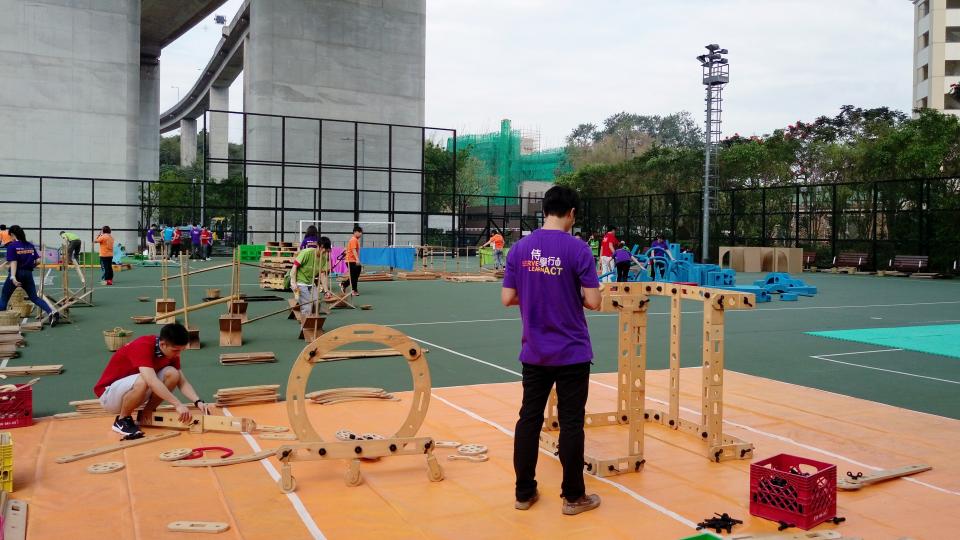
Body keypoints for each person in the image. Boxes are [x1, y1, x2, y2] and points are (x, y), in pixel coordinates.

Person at [501, 185, 602, 516]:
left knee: (528, 419)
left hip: (534, 351)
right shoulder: (578, 250)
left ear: (544, 210)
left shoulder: (520, 249)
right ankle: (573, 497)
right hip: (571, 351)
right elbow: (594, 302)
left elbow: (507, 298)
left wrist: (534, 293)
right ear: (571, 213)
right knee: (571, 423)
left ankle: (523, 492)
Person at [93, 323, 212, 439]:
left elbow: (183, 382)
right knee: (145, 379)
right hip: (109, 397)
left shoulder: (170, 353)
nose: (178, 354)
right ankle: (122, 420)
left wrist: (198, 401)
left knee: (173, 374)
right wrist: (178, 404)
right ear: (163, 344)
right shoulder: (142, 345)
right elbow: (151, 381)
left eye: (181, 350)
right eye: (176, 350)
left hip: (133, 391)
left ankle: (146, 414)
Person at [0, 225, 57, 325]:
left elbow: (14, 262)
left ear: (13, 234)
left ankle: (2, 319)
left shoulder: (12, 246)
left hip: (17, 273)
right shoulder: (29, 245)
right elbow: (38, 260)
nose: (11, 239)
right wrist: (29, 266)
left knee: (4, 296)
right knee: (34, 297)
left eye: (10, 236)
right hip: (28, 273)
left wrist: (13, 277)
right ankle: (51, 312)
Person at [291, 241, 320, 317]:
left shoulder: (324, 256)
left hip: (311, 282)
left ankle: (313, 322)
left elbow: (323, 274)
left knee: (317, 302)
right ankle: (305, 326)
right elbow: (294, 267)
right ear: (319, 246)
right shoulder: (306, 253)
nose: (325, 252)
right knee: (307, 306)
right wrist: (293, 282)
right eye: (324, 250)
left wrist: (326, 291)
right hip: (300, 282)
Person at [340, 226, 363, 297]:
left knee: (355, 275)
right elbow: (353, 250)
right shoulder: (353, 240)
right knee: (354, 276)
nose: (361, 234)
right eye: (360, 232)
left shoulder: (355, 240)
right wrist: (357, 259)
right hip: (351, 260)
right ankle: (354, 290)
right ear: (356, 232)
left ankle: (344, 284)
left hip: (353, 260)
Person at [318, 236, 333, 301]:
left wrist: (326, 291)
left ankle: (325, 291)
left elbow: (322, 275)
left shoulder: (324, 257)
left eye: (326, 249)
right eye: (322, 248)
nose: (324, 251)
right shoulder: (308, 253)